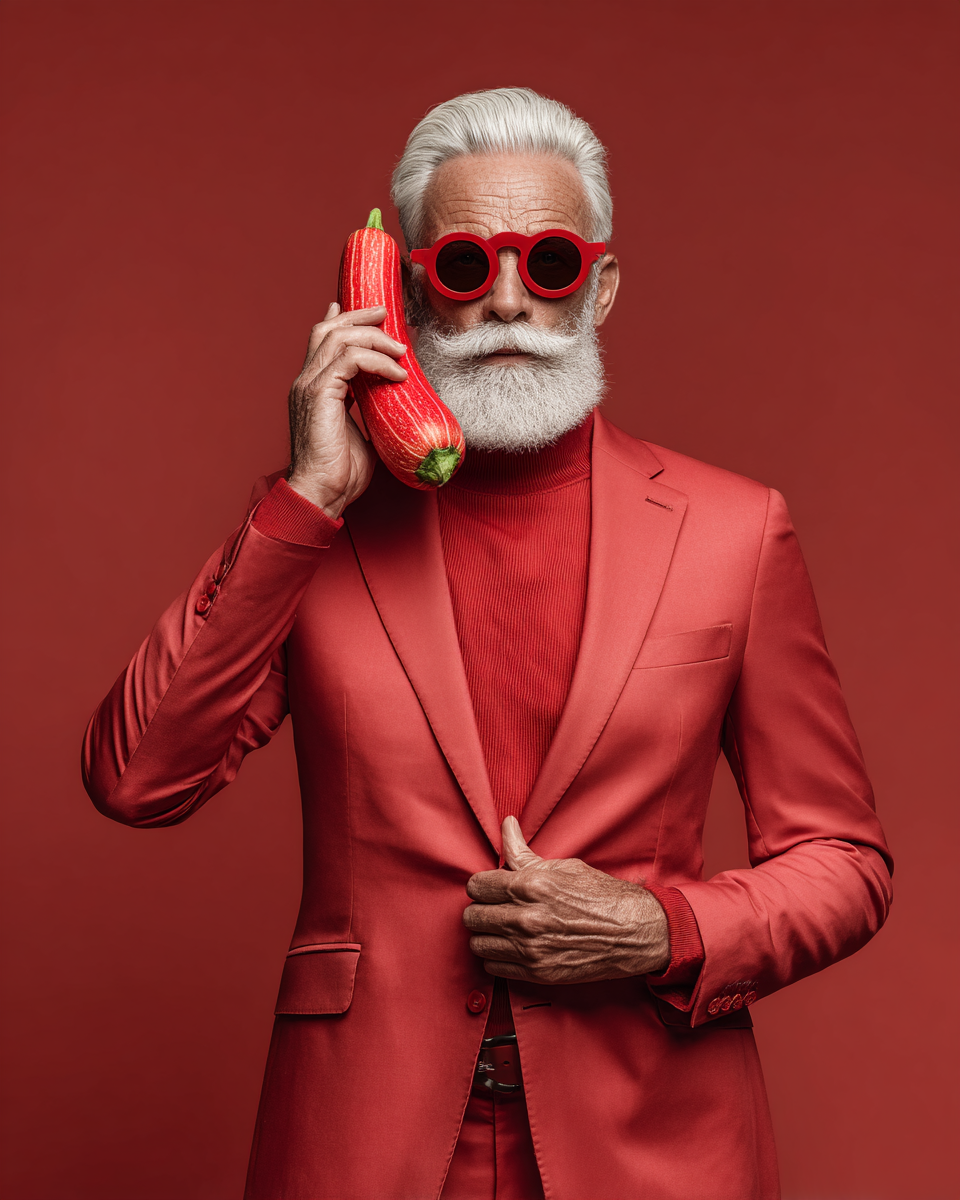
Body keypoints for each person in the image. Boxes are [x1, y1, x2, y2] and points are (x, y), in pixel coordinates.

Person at [82, 88, 892, 1200]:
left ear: (601, 286)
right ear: (408, 295)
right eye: (465, 268)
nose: (510, 299)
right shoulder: (322, 532)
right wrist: (307, 500)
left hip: (653, 1143)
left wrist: (665, 931)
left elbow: (845, 862)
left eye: (550, 263)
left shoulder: (735, 532)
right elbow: (138, 778)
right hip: (363, 1143)